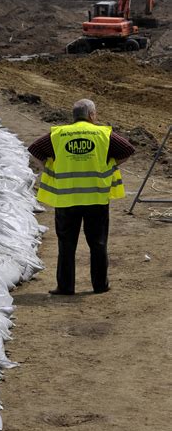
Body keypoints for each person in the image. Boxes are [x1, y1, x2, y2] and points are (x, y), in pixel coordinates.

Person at [28, 99, 134, 295]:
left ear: (73, 116)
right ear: (92, 115)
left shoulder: (58, 134)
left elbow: (34, 149)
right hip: (96, 197)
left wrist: (48, 165)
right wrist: (111, 165)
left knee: (66, 244)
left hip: (67, 199)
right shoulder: (102, 134)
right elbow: (128, 149)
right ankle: (100, 285)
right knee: (98, 243)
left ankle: (66, 287)